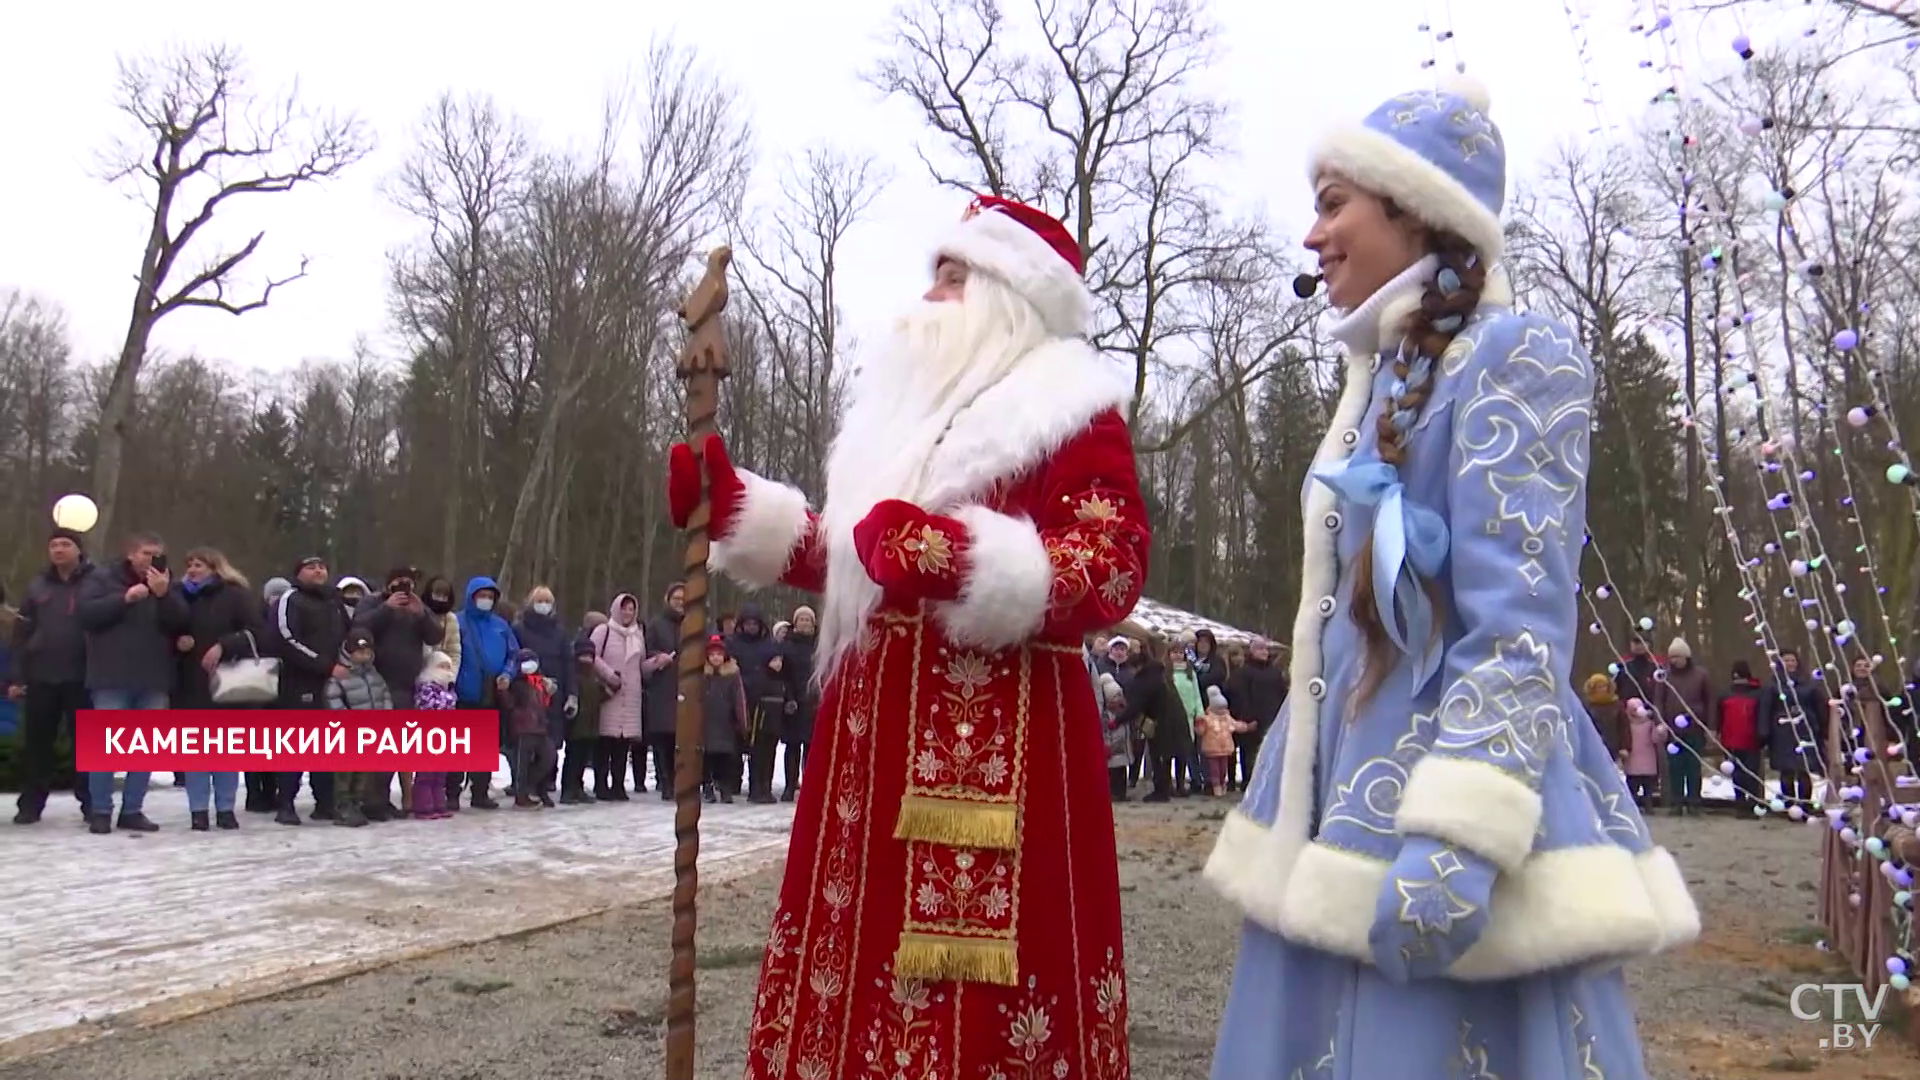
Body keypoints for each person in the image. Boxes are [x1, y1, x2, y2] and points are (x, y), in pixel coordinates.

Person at [1203, 78, 1694, 1078]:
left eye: (1334, 202)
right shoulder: (1379, 374)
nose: (1313, 235)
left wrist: (1458, 839)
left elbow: (1519, 625)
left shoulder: (1515, 354)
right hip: (1337, 800)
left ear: (1415, 208)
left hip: (1434, 800)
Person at [672, 193, 1148, 1075]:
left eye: (956, 276)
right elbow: (863, 555)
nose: (932, 294)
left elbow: (1113, 560)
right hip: (868, 747)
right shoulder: (902, 423)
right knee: (851, 952)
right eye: (934, 272)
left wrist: (965, 559)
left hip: (999, 748)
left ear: (1011, 296)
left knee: (968, 1012)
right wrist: (743, 512)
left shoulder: (1071, 410)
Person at [77, 531, 188, 835]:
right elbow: (86, 614)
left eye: (157, 554)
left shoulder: (167, 582)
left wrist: (164, 595)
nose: (151, 560)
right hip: (111, 676)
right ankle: (100, 810)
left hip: (153, 677)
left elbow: (180, 623)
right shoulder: (103, 579)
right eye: (145, 553)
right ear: (130, 554)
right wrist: (124, 599)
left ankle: (132, 810)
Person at [174, 547, 265, 831]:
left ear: (215, 568)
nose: (191, 569)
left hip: (228, 678)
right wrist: (179, 641)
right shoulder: (179, 596)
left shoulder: (235, 594)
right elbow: (168, 626)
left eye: (198, 564)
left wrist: (225, 645)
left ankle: (226, 808)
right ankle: (198, 810)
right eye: (189, 564)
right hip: (191, 681)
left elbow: (256, 631)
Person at [10, 528, 94, 825]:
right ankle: (31, 804)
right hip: (42, 674)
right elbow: (21, 631)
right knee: (37, 744)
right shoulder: (37, 586)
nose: (58, 550)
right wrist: (17, 676)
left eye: (65, 544)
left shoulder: (95, 582)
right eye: (54, 545)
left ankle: (92, 803)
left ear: (79, 550)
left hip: (83, 675)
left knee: (87, 743)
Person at [353, 566, 444, 819]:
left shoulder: (416, 608)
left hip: (406, 683)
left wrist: (422, 613)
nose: (404, 588)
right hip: (377, 681)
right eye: (399, 583)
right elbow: (358, 626)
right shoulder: (372, 603)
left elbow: (436, 635)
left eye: (409, 583)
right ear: (388, 584)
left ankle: (381, 798)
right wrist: (387, 608)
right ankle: (370, 800)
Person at [271, 556, 351, 825]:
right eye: (310, 567)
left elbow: (347, 636)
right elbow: (286, 638)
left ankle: (325, 802)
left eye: (322, 567)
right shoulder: (291, 599)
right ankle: (286, 803)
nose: (318, 570)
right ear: (298, 573)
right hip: (299, 682)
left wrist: (346, 663)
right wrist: (325, 666)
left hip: (332, 683)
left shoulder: (334, 601)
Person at [450, 576, 516, 810]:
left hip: (491, 693)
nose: (486, 601)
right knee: (458, 746)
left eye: (490, 597)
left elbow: (513, 654)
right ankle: (451, 792)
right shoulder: (456, 622)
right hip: (462, 692)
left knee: (484, 745)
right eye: (482, 596)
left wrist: (507, 674)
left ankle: (480, 790)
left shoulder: (500, 625)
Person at [325, 628, 392, 828]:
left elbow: (384, 695)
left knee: (364, 771)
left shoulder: (374, 675)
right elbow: (332, 698)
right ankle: (342, 806)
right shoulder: (341, 675)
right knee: (346, 772)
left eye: (366, 652)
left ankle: (356, 802)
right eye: (359, 651)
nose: (363, 656)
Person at [590, 593, 649, 798]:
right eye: (624, 608)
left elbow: (641, 665)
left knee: (623, 745)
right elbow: (591, 656)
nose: (628, 613)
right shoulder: (603, 630)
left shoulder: (637, 635)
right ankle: (600, 785)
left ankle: (618, 784)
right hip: (609, 693)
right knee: (605, 741)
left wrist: (656, 663)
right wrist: (608, 674)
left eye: (632, 609)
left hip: (630, 695)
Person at [1653, 637, 1714, 816]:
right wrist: (1660, 722)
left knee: (1693, 767)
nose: (1674, 661)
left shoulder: (1701, 675)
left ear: (1686, 657)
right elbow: (1658, 701)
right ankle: (1676, 802)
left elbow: (1710, 700)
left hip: (1695, 728)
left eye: (1678, 657)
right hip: (1672, 731)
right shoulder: (1664, 676)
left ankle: (1694, 802)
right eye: (1672, 657)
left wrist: (1710, 726)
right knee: (1675, 767)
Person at [1763, 647, 1826, 812]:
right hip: (1782, 731)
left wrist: (1822, 727)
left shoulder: (1810, 683)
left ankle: (1805, 804)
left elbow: (1819, 706)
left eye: (1792, 660)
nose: (1789, 664)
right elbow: (1766, 708)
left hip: (1806, 729)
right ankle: (1789, 803)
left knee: (1804, 770)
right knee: (1787, 770)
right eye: (1786, 660)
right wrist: (1765, 731)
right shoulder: (1773, 684)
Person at [641, 584, 686, 801]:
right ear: (668, 599)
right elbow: (647, 651)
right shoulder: (657, 624)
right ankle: (665, 781)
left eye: (683, 598)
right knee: (664, 738)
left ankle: (681, 781)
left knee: (683, 738)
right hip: (663, 685)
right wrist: (658, 659)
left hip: (687, 686)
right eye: (676, 598)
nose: (680, 602)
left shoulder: (694, 623)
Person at [1223, 636, 1287, 790]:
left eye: (1266, 648)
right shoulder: (1244, 673)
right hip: (1253, 721)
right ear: (1252, 651)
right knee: (1250, 753)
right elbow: (1240, 697)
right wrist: (1247, 720)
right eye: (1260, 648)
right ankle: (1249, 782)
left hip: (1273, 718)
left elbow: (1282, 694)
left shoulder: (1274, 672)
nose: (1264, 652)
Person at [505, 647, 557, 809]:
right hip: (522, 728)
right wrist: (503, 691)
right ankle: (521, 796)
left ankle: (533, 788)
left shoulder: (540, 682)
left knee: (549, 757)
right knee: (522, 764)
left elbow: (545, 704)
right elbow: (509, 704)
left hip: (540, 727)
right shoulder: (516, 684)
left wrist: (550, 691)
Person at [698, 634, 747, 804]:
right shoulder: (702, 676)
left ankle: (725, 787)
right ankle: (708, 786)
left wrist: (742, 721)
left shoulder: (732, 675)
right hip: (705, 723)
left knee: (725, 759)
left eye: (719, 654)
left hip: (725, 723)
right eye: (712, 655)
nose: (716, 658)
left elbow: (739, 699)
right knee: (707, 758)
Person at [412, 650, 458, 819]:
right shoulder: (426, 687)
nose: (445, 670)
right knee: (426, 772)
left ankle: (439, 804)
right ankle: (423, 807)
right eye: (441, 666)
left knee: (440, 773)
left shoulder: (448, 688)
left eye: (448, 667)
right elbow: (429, 707)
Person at [779, 604, 819, 800]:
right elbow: (783, 674)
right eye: (801, 619)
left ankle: (810, 785)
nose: (804, 623)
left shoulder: (820, 644)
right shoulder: (787, 645)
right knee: (792, 746)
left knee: (811, 747)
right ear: (795, 623)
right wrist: (789, 697)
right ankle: (789, 785)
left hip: (815, 700)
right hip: (793, 700)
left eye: (807, 620)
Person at [560, 638, 605, 803]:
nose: (586, 659)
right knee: (573, 757)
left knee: (583, 759)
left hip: (591, 725)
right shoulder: (574, 677)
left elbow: (599, 696)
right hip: (577, 725)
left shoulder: (593, 677)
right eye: (583, 655)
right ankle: (568, 789)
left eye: (589, 656)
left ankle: (578, 787)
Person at [1719, 660, 1766, 813]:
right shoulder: (1725, 693)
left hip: (1751, 740)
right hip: (1730, 740)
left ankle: (1753, 802)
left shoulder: (1757, 693)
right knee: (1736, 774)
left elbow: (1761, 716)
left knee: (1751, 773)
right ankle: (1740, 803)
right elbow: (1720, 715)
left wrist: (1762, 734)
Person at [1194, 685, 1254, 796]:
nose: (1222, 711)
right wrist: (1199, 725)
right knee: (1214, 770)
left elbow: (1236, 725)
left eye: (1223, 708)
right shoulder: (1207, 719)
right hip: (1212, 749)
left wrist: (1247, 727)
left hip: (1225, 749)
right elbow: (1201, 731)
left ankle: (1222, 784)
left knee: (1223, 770)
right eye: (1220, 709)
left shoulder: (1227, 718)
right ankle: (1216, 786)